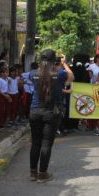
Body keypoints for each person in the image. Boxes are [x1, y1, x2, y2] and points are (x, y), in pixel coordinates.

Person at [29, 50, 74, 183]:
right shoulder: (59, 74)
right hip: (51, 113)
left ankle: (32, 173)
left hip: (35, 111)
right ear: (55, 60)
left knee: (35, 143)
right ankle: (42, 174)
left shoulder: (33, 74)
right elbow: (71, 77)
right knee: (46, 144)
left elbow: (39, 73)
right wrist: (64, 63)